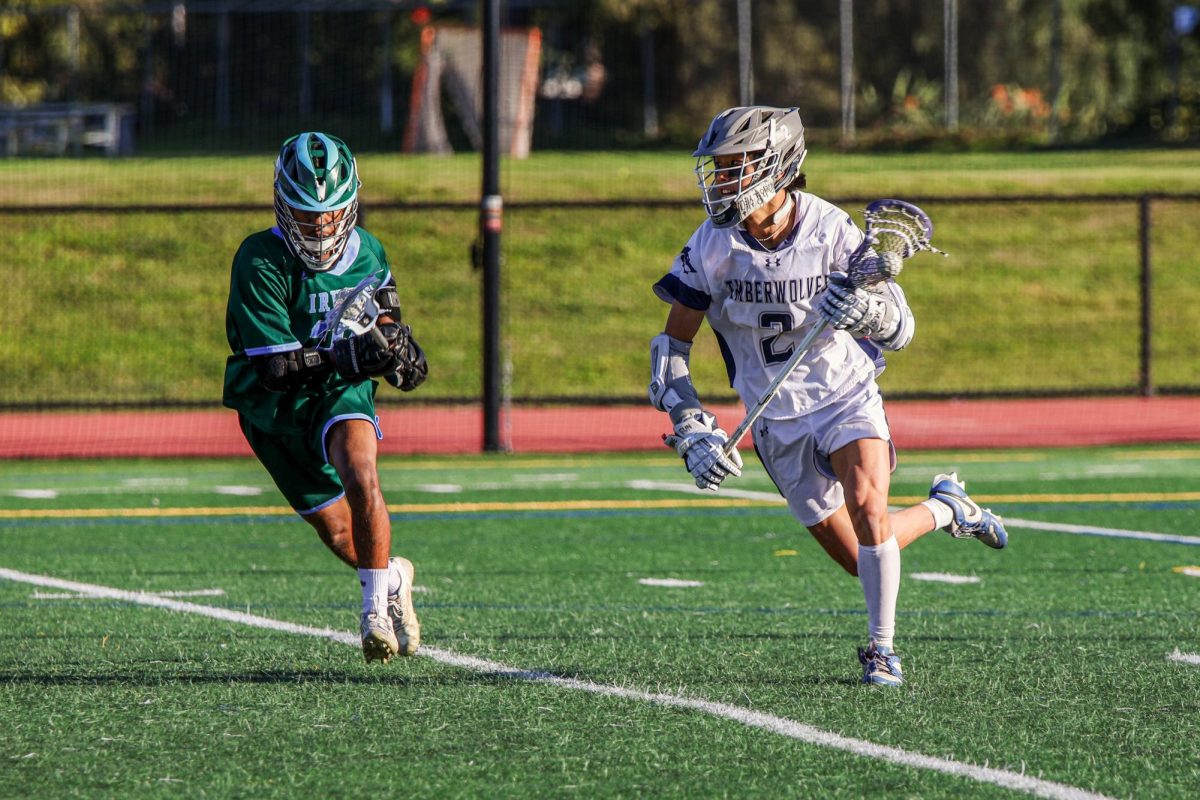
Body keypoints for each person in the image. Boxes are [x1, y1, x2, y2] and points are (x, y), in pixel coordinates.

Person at [648, 106, 1007, 686]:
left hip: (844, 392)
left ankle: (882, 649)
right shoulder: (712, 245)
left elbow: (901, 325)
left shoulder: (829, 228)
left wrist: (866, 310)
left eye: (736, 167)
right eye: (718, 168)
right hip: (775, 418)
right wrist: (692, 425)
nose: (722, 181)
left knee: (868, 508)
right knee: (858, 554)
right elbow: (671, 347)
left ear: (778, 167)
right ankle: (947, 508)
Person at [223, 132, 428, 664]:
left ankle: (372, 615)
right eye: (308, 215)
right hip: (275, 409)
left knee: (362, 472)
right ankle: (393, 578)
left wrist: (397, 350)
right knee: (341, 535)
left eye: (331, 214)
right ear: (282, 204)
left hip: (339, 393)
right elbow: (275, 369)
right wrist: (345, 357)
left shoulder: (370, 250)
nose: (321, 227)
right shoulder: (260, 259)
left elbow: (385, 321)